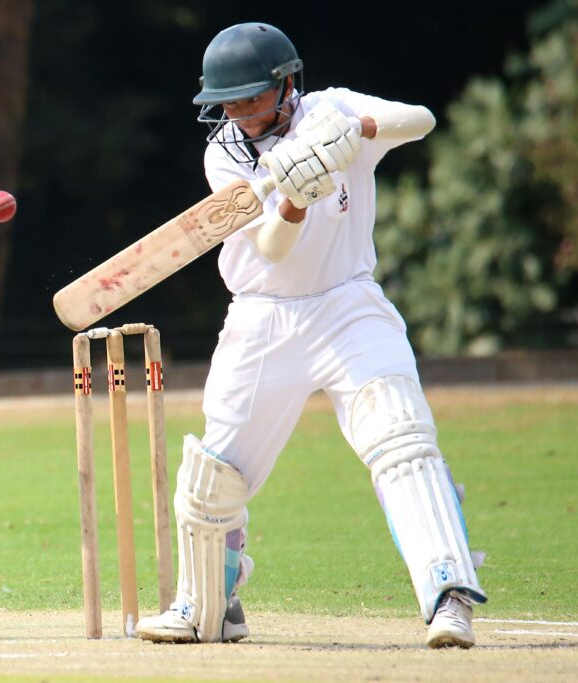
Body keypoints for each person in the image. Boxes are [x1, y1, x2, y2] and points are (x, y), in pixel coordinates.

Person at [135, 23, 486, 648]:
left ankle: (448, 596)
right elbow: (272, 248)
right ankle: (207, 606)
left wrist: (354, 131)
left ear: (286, 84)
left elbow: (422, 120)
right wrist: (294, 197)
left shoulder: (333, 107)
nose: (240, 115)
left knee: (401, 437)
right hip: (263, 318)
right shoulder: (224, 156)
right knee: (216, 473)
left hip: (348, 304)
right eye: (228, 104)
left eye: (251, 99)